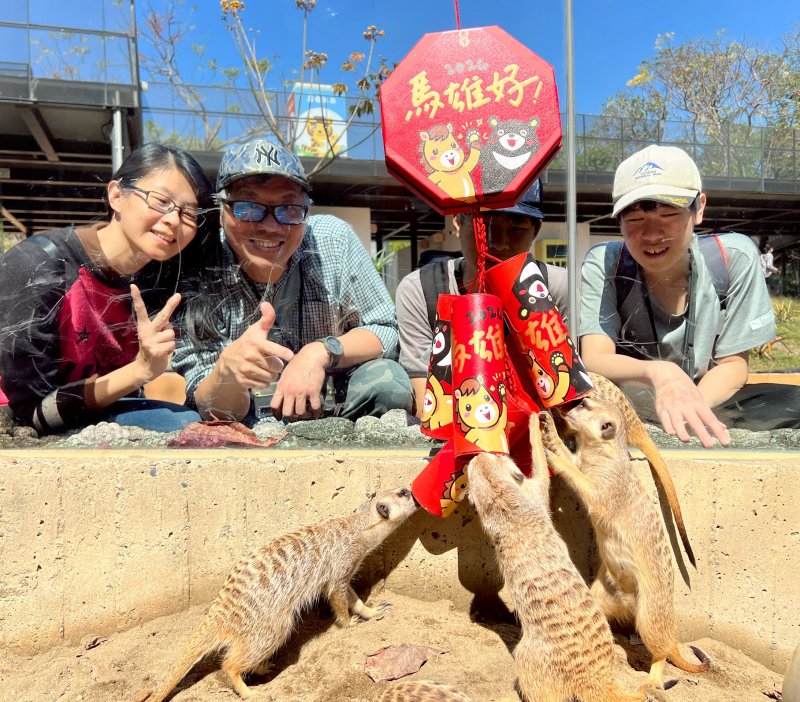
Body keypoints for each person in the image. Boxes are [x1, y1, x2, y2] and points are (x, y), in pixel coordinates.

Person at [173, 138, 412, 424]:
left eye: (289, 209)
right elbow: (209, 404)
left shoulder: (333, 241)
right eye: (248, 207)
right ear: (222, 212)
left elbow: (385, 328)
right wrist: (228, 373)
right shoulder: (198, 264)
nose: (270, 226)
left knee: (389, 381)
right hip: (244, 425)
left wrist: (320, 352)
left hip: (334, 412)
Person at [579, 144, 800, 447]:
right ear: (618, 220)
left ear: (699, 208)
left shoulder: (732, 258)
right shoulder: (604, 263)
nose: (653, 234)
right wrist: (663, 373)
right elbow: (595, 357)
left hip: (710, 394)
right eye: (635, 219)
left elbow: (733, 365)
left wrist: (687, 408)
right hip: (631, 397)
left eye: (669, 213)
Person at [0, 143, 214, 434]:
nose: (174, 220)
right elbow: (28, 415)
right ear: (116, 195)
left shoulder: (155, 279)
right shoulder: (38, 265)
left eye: (189, 213)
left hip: (97, 413)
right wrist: (138, 372)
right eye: (161, 201)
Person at [394, 180, 568, 417]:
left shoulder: (554, 287)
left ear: (535, 231)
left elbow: (568, 393)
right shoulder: (421, 291)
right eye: (484, 225)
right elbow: (428, 401)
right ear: (457, 221)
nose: (498, 243)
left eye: (516, 228)